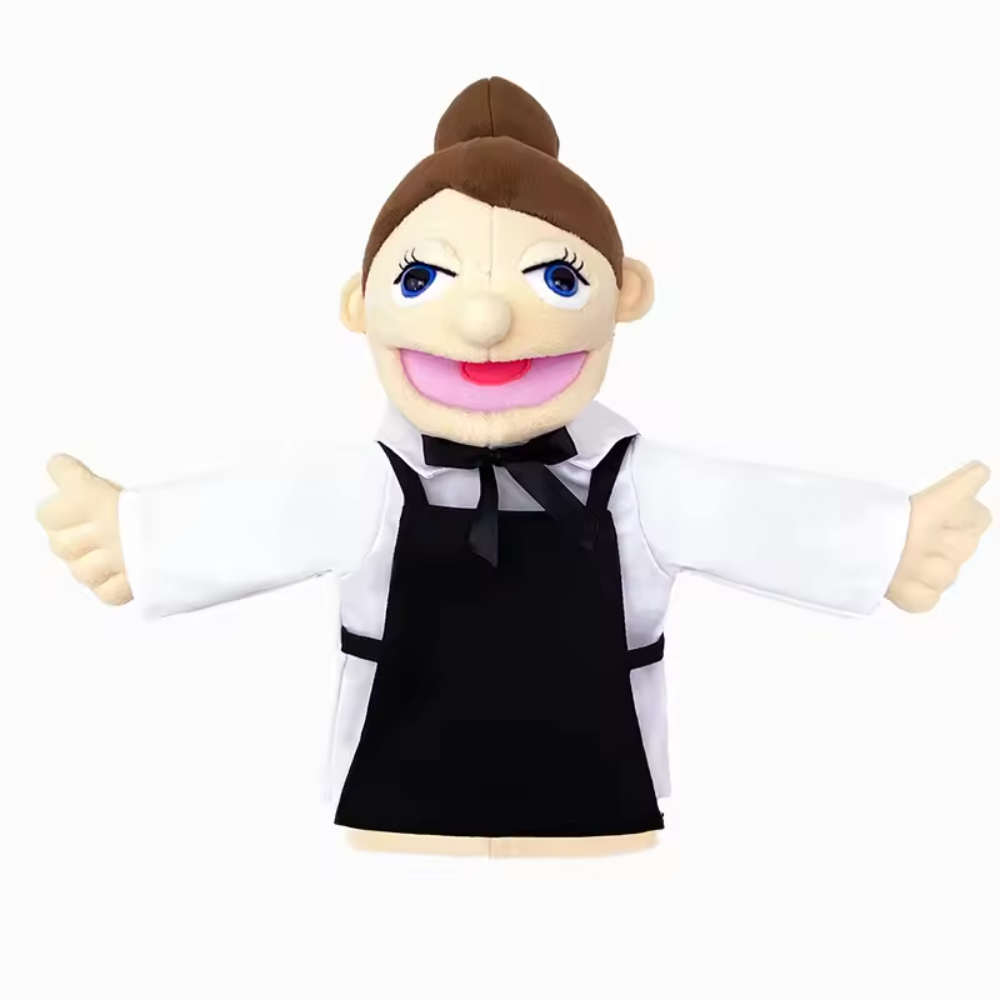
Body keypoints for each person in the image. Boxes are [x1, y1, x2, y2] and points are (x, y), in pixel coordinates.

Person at [37, 77, 992, 859]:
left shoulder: (634, 480)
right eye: (422, 279)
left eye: (557, 279)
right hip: (398, 812)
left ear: (626, 292)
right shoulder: (369, 481)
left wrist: (887, 542)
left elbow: (756, 514)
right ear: (360, 304)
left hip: (595, 808)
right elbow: (260, 515)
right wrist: (138, 536)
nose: (488, 322)